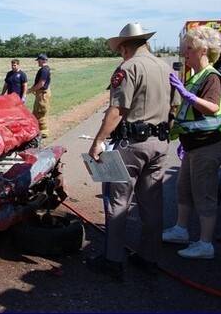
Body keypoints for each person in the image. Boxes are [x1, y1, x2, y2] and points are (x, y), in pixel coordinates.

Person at [85, 22, 179, 280]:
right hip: (160, 145)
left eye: (120, 49)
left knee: (118, 203)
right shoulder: (165, 67)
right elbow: (174, 107)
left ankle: (113, 261)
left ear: (125, 46)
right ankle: (149, 258)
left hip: (132, 146)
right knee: (151, 204)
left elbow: (117, 110)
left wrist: (97, 142)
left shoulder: (128, 68)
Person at [162, 25, 221, 259]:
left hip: (208, 146)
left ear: (202, 50)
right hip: (194, 146)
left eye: (189, 48)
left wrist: (186, 94)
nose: (185, 52)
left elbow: (210, 108)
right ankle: (181, 230)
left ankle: (205, 245)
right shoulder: (196, 77)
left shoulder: (211, 77)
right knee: (184, 189)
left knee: (205, 194)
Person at [27, 53, 51, 138]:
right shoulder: (45, 69)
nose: (38, 62)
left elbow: (41, 83)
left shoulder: (44, 70)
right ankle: (39, 131)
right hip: (41, 93)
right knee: (37, 111)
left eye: (38, 60)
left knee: (40, 111)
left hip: (42, 94)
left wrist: (31, 90)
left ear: (42, 60)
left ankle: (43, 133)